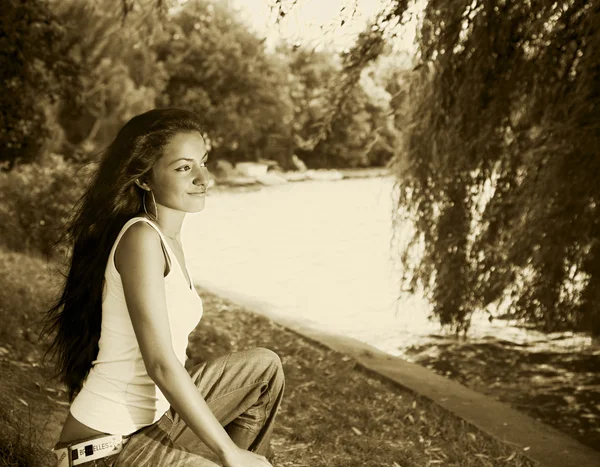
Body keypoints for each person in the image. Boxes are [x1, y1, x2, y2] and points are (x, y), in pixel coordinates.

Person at [42, 108, 285, 467]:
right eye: (184, 167)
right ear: (144, 178)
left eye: (203, 162)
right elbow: (160, 363)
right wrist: (227, 452)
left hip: (154, 426)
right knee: (229, 457)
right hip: (107, 449)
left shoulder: (167, 240)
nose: (204, 177)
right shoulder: (140, 237)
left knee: (265, 368)